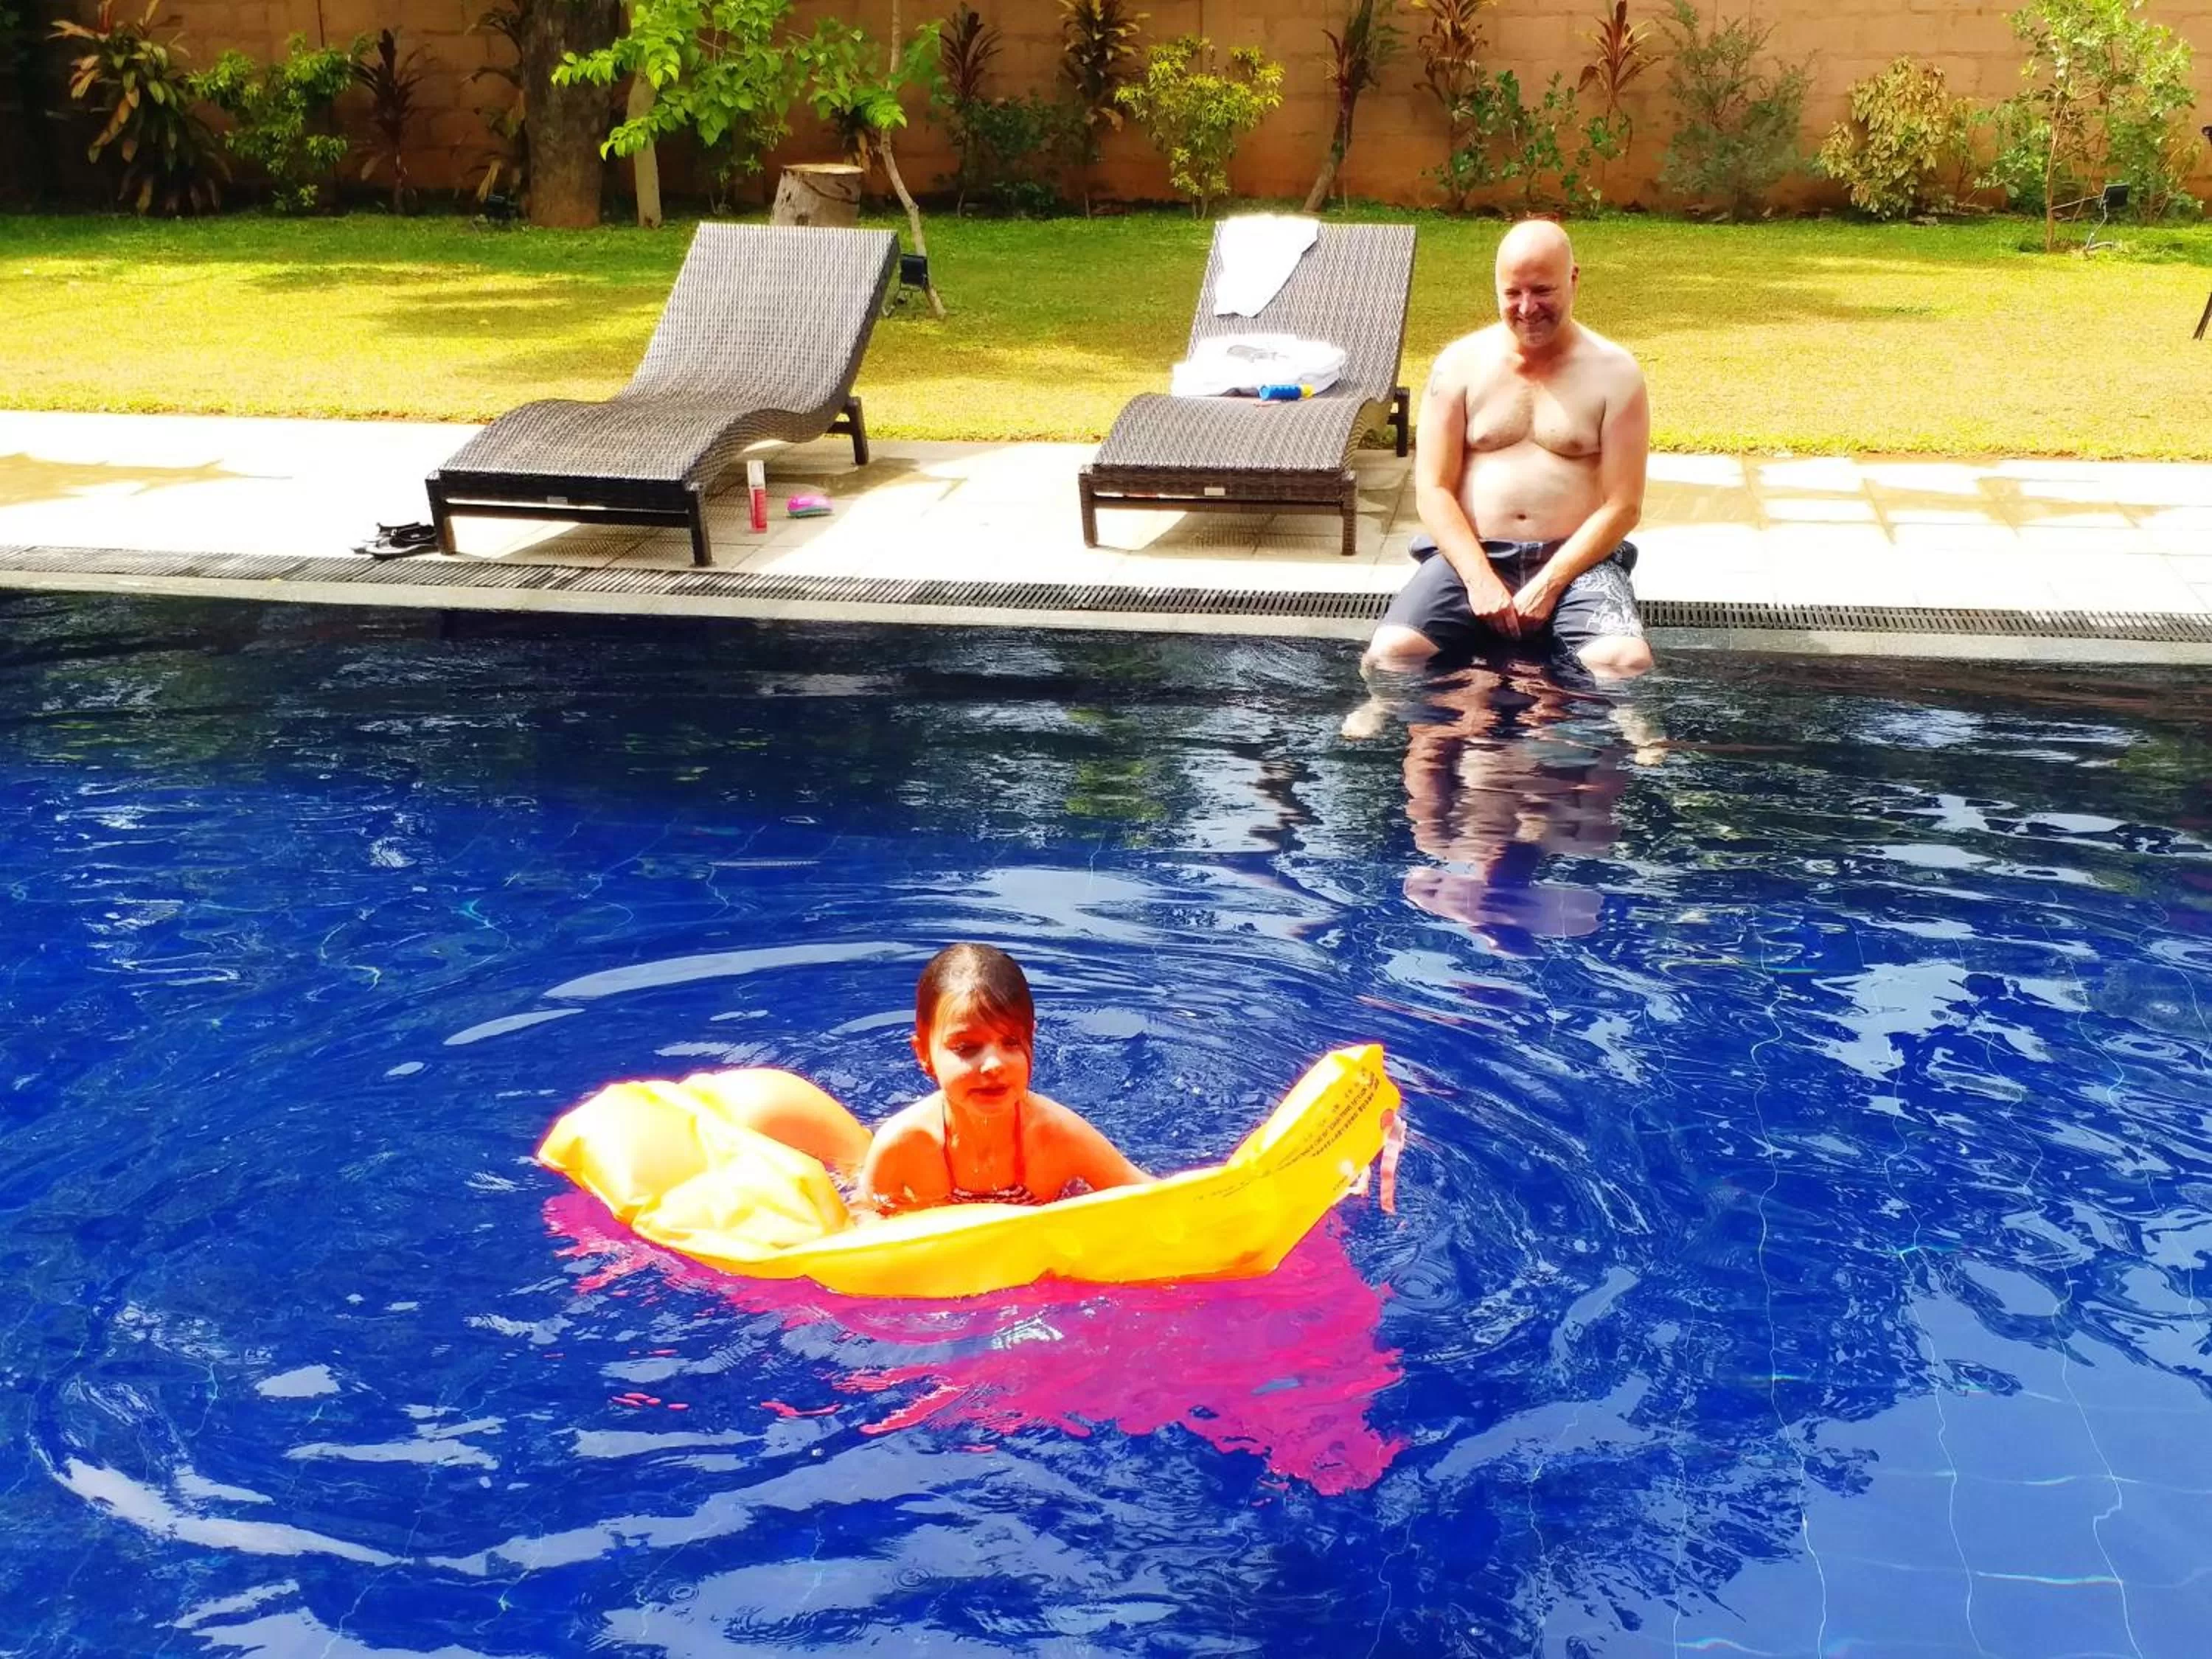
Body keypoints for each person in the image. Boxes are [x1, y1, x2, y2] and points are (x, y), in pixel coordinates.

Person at [1363, 219, 1654, 682]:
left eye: (1542, 291)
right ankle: (1376, 716)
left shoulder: (1615, 373)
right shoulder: (1458, 365)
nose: (1527, 308)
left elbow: (1623, 505)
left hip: (1577, 562)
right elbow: (1433, 489)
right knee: (1391, 654)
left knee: (1625, 663)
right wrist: (1479, 580)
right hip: (1472, 554)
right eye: (1512, 293)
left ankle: (1630, 724)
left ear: (1573, 279)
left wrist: (1550, 583)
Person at [858, 943, 1150, 1214]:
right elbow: (865, 1221)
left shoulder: (1059, 1135)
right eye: (966, 1047)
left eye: (1011, 1042)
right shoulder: (904, 1143)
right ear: (923, 1053)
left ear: (1031, 1038)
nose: (994, 1065)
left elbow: (1147, 1198)